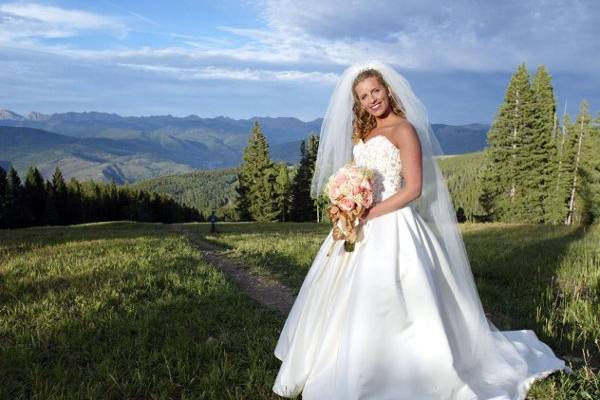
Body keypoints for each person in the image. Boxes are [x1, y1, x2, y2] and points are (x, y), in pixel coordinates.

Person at [271, 60, 567, 399]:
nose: (372, 100)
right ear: (359, 101)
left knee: (400, 296)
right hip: (360, 222)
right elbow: (361, 174)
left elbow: (412, 189)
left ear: (388, 90)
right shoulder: (365, 133)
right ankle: (335, 362)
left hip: (393, 223)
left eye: (376, 91)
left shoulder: (404, 130)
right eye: (364, 96)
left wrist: (369, 212)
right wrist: (349, 203)